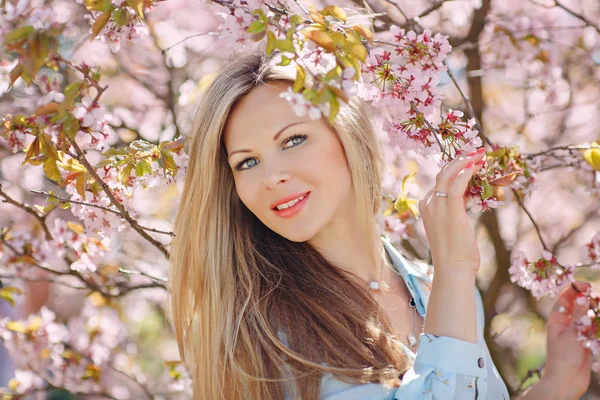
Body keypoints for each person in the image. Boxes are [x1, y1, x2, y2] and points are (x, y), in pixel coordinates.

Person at [168, 50, 592, 400]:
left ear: (347, 134)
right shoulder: (267, 335)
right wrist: (456, 269)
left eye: (293, 140)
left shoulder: (429, 287)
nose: (270, 177)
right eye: (247, 162)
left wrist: (557, 386)